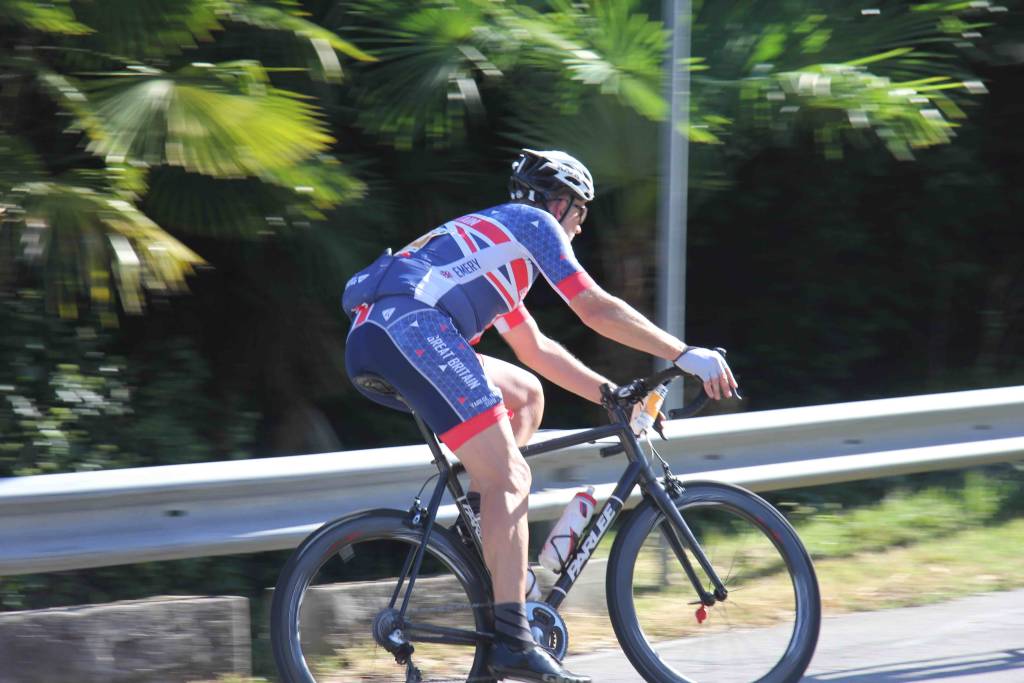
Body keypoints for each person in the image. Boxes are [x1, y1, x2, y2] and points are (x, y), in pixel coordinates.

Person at [343, 149, 737, 683]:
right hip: (412, 331)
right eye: (580, 214)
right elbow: (593, 307)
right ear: (561, 204)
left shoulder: (496, 249)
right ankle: (513, 640)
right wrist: (682, 354)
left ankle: (484, 528)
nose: (579, 228)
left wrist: (610, 394)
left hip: (381, 335)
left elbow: (537, 351)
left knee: (525, 394)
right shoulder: (532, 223)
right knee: (511, 475)